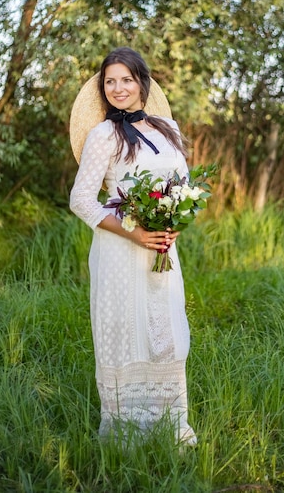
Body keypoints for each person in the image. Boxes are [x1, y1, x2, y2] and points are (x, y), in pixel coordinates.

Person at [69, 47, 196, 446]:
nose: (118, 88)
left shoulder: (168, 128)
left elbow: (183, 186)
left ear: (142, 82)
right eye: (110, 81)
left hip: (162, 249)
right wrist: (134, 233)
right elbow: (81, 199)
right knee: (126, 332)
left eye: (126, 79)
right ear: (102, 88)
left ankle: (172, 430)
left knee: (166, 333)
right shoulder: (103, 135)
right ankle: (125, 436)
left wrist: (173, 222)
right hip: (120, 251)